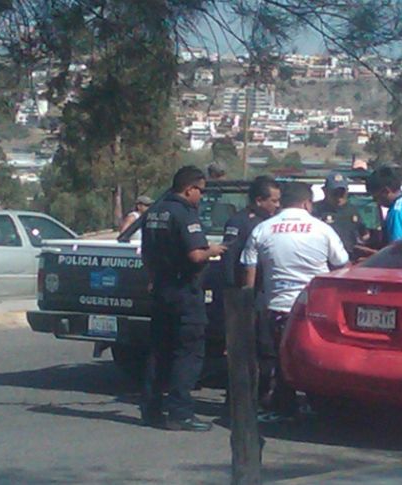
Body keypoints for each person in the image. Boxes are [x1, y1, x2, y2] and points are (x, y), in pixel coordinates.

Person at [241, 182, 350, 422]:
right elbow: (342, 264)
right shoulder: (322, 229)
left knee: (280, 358)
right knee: (313, 357)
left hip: (276, 305)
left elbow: (249, 272)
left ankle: (283, 404)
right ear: (307, 203)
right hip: (313, 307)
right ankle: (316, 403)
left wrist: (249, 307)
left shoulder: (263, 229)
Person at [140, 165, 227, 431]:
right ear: (189, 189)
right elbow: (194, 255)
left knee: (159, 351)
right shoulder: (184, 213)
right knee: (189, 353)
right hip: (184, 291)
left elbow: (145, 254)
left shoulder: (154, 211)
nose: (201, 195)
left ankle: (151, 408)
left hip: (161, 289)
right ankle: (180, 412)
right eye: (200, 190)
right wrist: (213, 250)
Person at [219, 176, 281, 411]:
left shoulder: (271, 223)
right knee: (245, 351)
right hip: (245, 297)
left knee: (266, 351)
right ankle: (238, 400)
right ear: (258, 200)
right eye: (273, 200)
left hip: (265, 294)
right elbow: (230, 263)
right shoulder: (241, 222)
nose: (277, 205)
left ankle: (263, 396)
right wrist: (236, 298)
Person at [312, 172, 372, 261]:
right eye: (334, 193)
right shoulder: (315, 211)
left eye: (342, 193)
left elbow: (364, 234)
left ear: (347, 191)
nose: (339, 197)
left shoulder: (353, 210)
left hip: (350, 259)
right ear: (325, 191)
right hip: (324, 260)